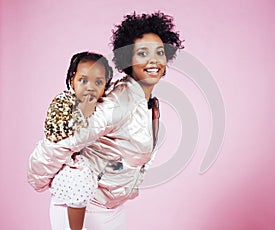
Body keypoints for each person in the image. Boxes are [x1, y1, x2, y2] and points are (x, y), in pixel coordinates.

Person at [27, 11, 184, 229]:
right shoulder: (119, 102)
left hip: (111, 208)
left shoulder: (147, 102)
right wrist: (38, 179)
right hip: (84, 208)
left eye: (159, 52)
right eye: (142, 53)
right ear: (128, 59)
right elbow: (66, 139)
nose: (153, 60)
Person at [43, 51, 113, 230]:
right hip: (66, 162)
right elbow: (54, 131)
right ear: (72, 80)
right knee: (78, 180)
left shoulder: (103, 105)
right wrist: (82, 113)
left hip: (92, 167)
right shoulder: (64, 101)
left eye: (98, 82)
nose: (90, 87)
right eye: (83, 80)